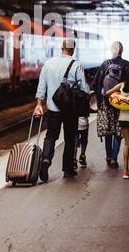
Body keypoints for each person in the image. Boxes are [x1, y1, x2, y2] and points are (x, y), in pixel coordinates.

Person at [34, 38, 89, 182]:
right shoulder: (77, 65)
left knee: (51, 136)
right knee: (70, 138)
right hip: (70, 109)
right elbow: (85, 89)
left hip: (53, 108)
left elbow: (41, 88)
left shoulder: (49, 64)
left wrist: (39, 104)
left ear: (61, 48)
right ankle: (68, 170)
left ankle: (45, 160)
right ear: (73, 50)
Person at [91, 41, 129, 168]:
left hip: (105, 102)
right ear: (122, 51)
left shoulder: (105, 64)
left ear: (111, 50)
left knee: (107, 129)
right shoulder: (128, 65)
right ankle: (114, 158)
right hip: (121, 103)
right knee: (119, 130)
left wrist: (100, 100)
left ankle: (108, 156)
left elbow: (96, 84)